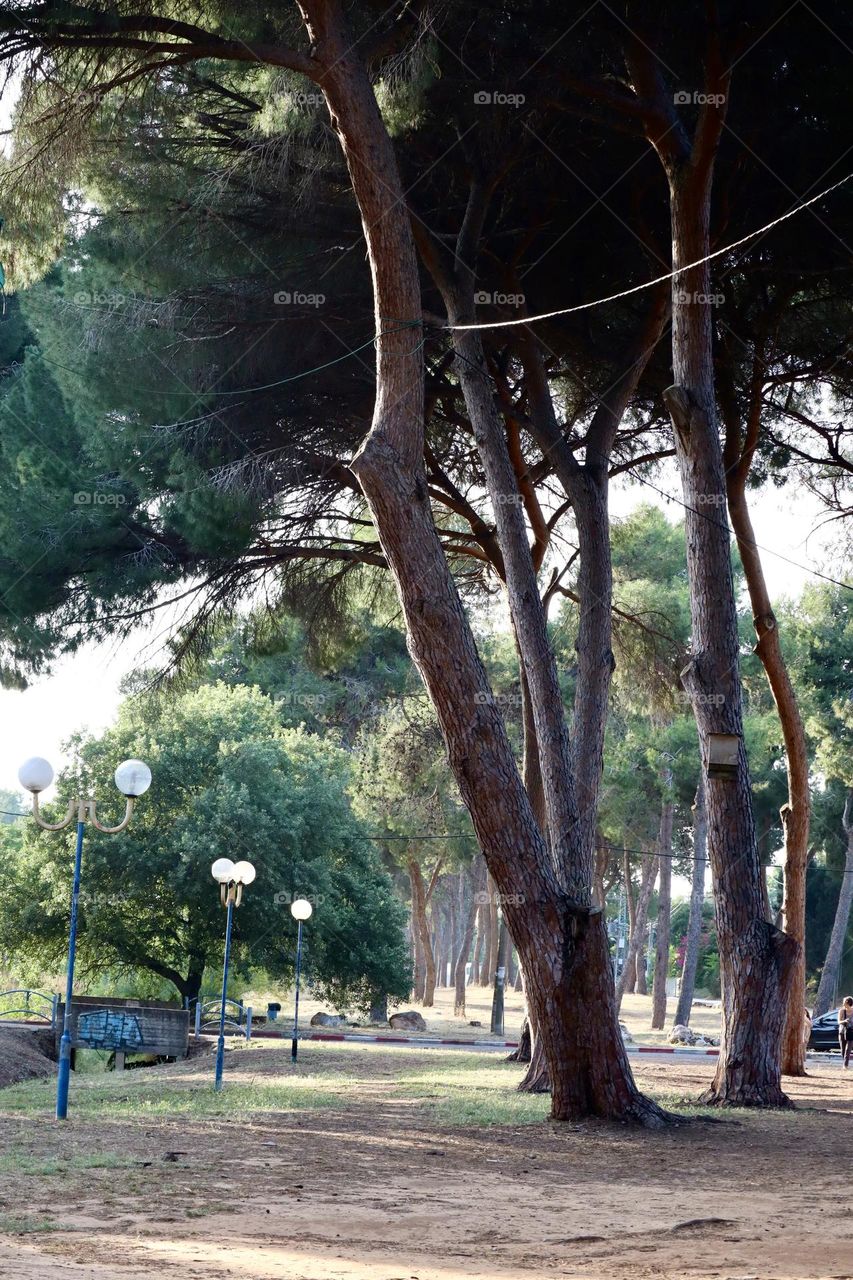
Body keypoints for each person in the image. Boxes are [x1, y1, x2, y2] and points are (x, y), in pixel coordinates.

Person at [839, 997, 853, 1069]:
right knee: (843, 1050)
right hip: (842, 1032)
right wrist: (844, 1021)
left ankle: (845, 1065)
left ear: (847, 1002)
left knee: (848, 1050)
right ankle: (844, 1064)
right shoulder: (842, 1011)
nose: (843, 1003)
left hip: (851, 1032)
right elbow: (838, 1021)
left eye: (844, 1001)